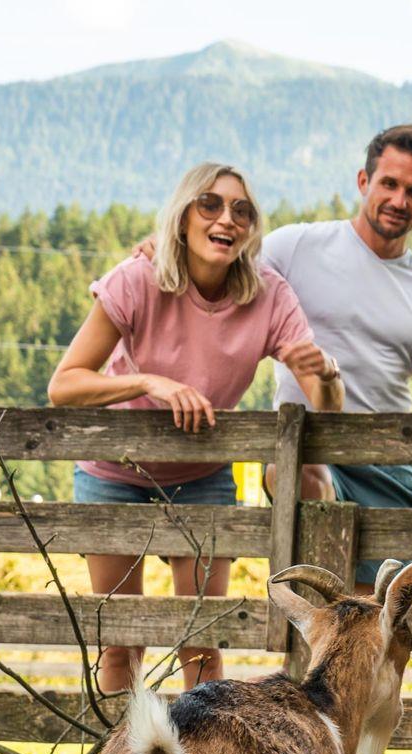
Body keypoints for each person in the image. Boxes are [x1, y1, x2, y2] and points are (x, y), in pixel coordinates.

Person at [49, 161, 340, 694]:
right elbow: (64, 384)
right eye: (210, 204)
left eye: (241, 211)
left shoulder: (268, 294)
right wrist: (148, 383)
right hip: (114, 473)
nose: (226, 218)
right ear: (183, 216)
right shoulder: (137, 278)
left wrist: (327, 376)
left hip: (202, 476)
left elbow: (327, 407)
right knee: (120, 643)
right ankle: (121, 751)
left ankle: (204, 751)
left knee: (202, 642)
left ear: (250, 230)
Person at [262, 124, 412, 544]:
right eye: (389, 184)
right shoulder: (293, 248)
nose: (399, 200)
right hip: (309, 450)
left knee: (384, 592)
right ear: (364, 181)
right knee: (294, 472)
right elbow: (216, 276)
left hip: (390, 464)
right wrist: (158, 250)